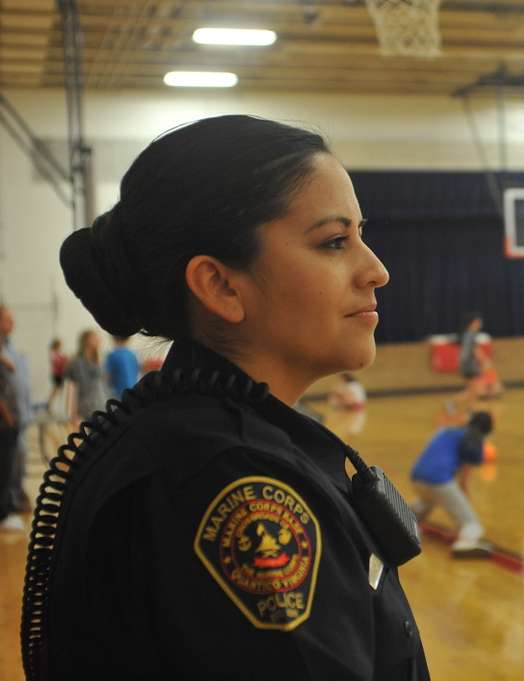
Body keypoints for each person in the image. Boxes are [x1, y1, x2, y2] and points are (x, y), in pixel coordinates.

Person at [23, 115, 429, 680]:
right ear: (220, 286)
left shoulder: (198, 439)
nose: (376, 271)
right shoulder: (228, 477)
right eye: (334, 242)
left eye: (361, 236)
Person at [410, 411, 493, 557]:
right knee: (472, 524)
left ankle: (402, 522)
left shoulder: (448, 431)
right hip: (438, 480)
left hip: (417, 477)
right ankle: (465, 544)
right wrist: (464, 503)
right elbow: (464, 479)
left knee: (426, 503)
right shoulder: (474, 438)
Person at [0, 304, 31, 514]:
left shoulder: (9, 348)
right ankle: (6, 508)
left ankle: (14, 499)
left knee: (17, 463)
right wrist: (7, 416)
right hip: (6, 419)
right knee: (6, 466)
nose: (13, 324)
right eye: (8, 319)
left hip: (18, 416)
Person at [65, 329, 110, 420]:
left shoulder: (100, 361)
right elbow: (72, 388)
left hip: (102, 406)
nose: (99, 339)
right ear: (86, 340)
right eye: (95, 337)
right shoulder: (76, 363)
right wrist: (71, 412)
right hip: (86, 409)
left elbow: (104, 384)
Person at [0, 352, 22, 531]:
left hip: (8, 424)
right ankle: (3, 514)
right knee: (4, 469)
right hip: (4, 425)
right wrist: (9, 419)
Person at [47, 338, 68, 408]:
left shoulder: (57, 353)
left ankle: (51, 404)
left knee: (57, 390)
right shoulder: (54, 353)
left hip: (60, 374)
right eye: (60, 345)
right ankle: (49, 404)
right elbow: (57, 363)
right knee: (56, 390)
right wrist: (64, 360)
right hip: (57, 374)